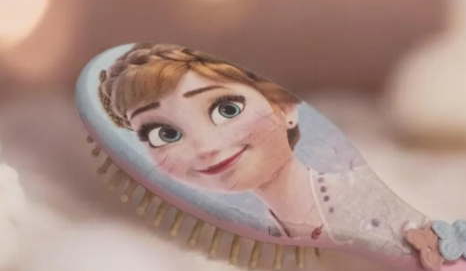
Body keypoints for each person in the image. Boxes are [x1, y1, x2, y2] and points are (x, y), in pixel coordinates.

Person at [98, 43, 427, 256]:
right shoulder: (264, 237)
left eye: (226, 109)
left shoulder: (355, 201)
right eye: (165, 134)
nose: (206, 148)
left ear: (284, 108)